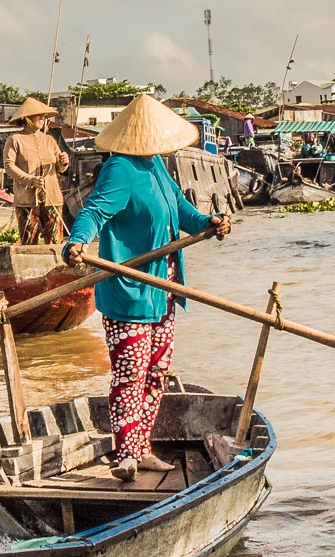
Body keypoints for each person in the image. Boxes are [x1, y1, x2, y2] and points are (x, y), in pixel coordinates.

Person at [59, 95, 232, 481]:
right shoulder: (119, 170)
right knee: (130, 372)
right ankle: (125, 453)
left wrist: (210, 221)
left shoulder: (155, 165)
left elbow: (183, 212)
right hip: (130, 290)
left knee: (156, 373)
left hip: (163, 290)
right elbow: (94, 211)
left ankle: (143, 447)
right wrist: (78, 241)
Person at [2, 98, 71, 245]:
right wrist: (30, 179)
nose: (42, 119)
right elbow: (9, 166)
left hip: (52, 198)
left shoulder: (49, 140)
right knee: (28, 242)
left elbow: (60, 168)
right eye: (38, 116)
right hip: (27, 200)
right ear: (27, 118)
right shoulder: (15, 139)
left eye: (44, 117)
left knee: (55, 242)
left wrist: (63, 162)